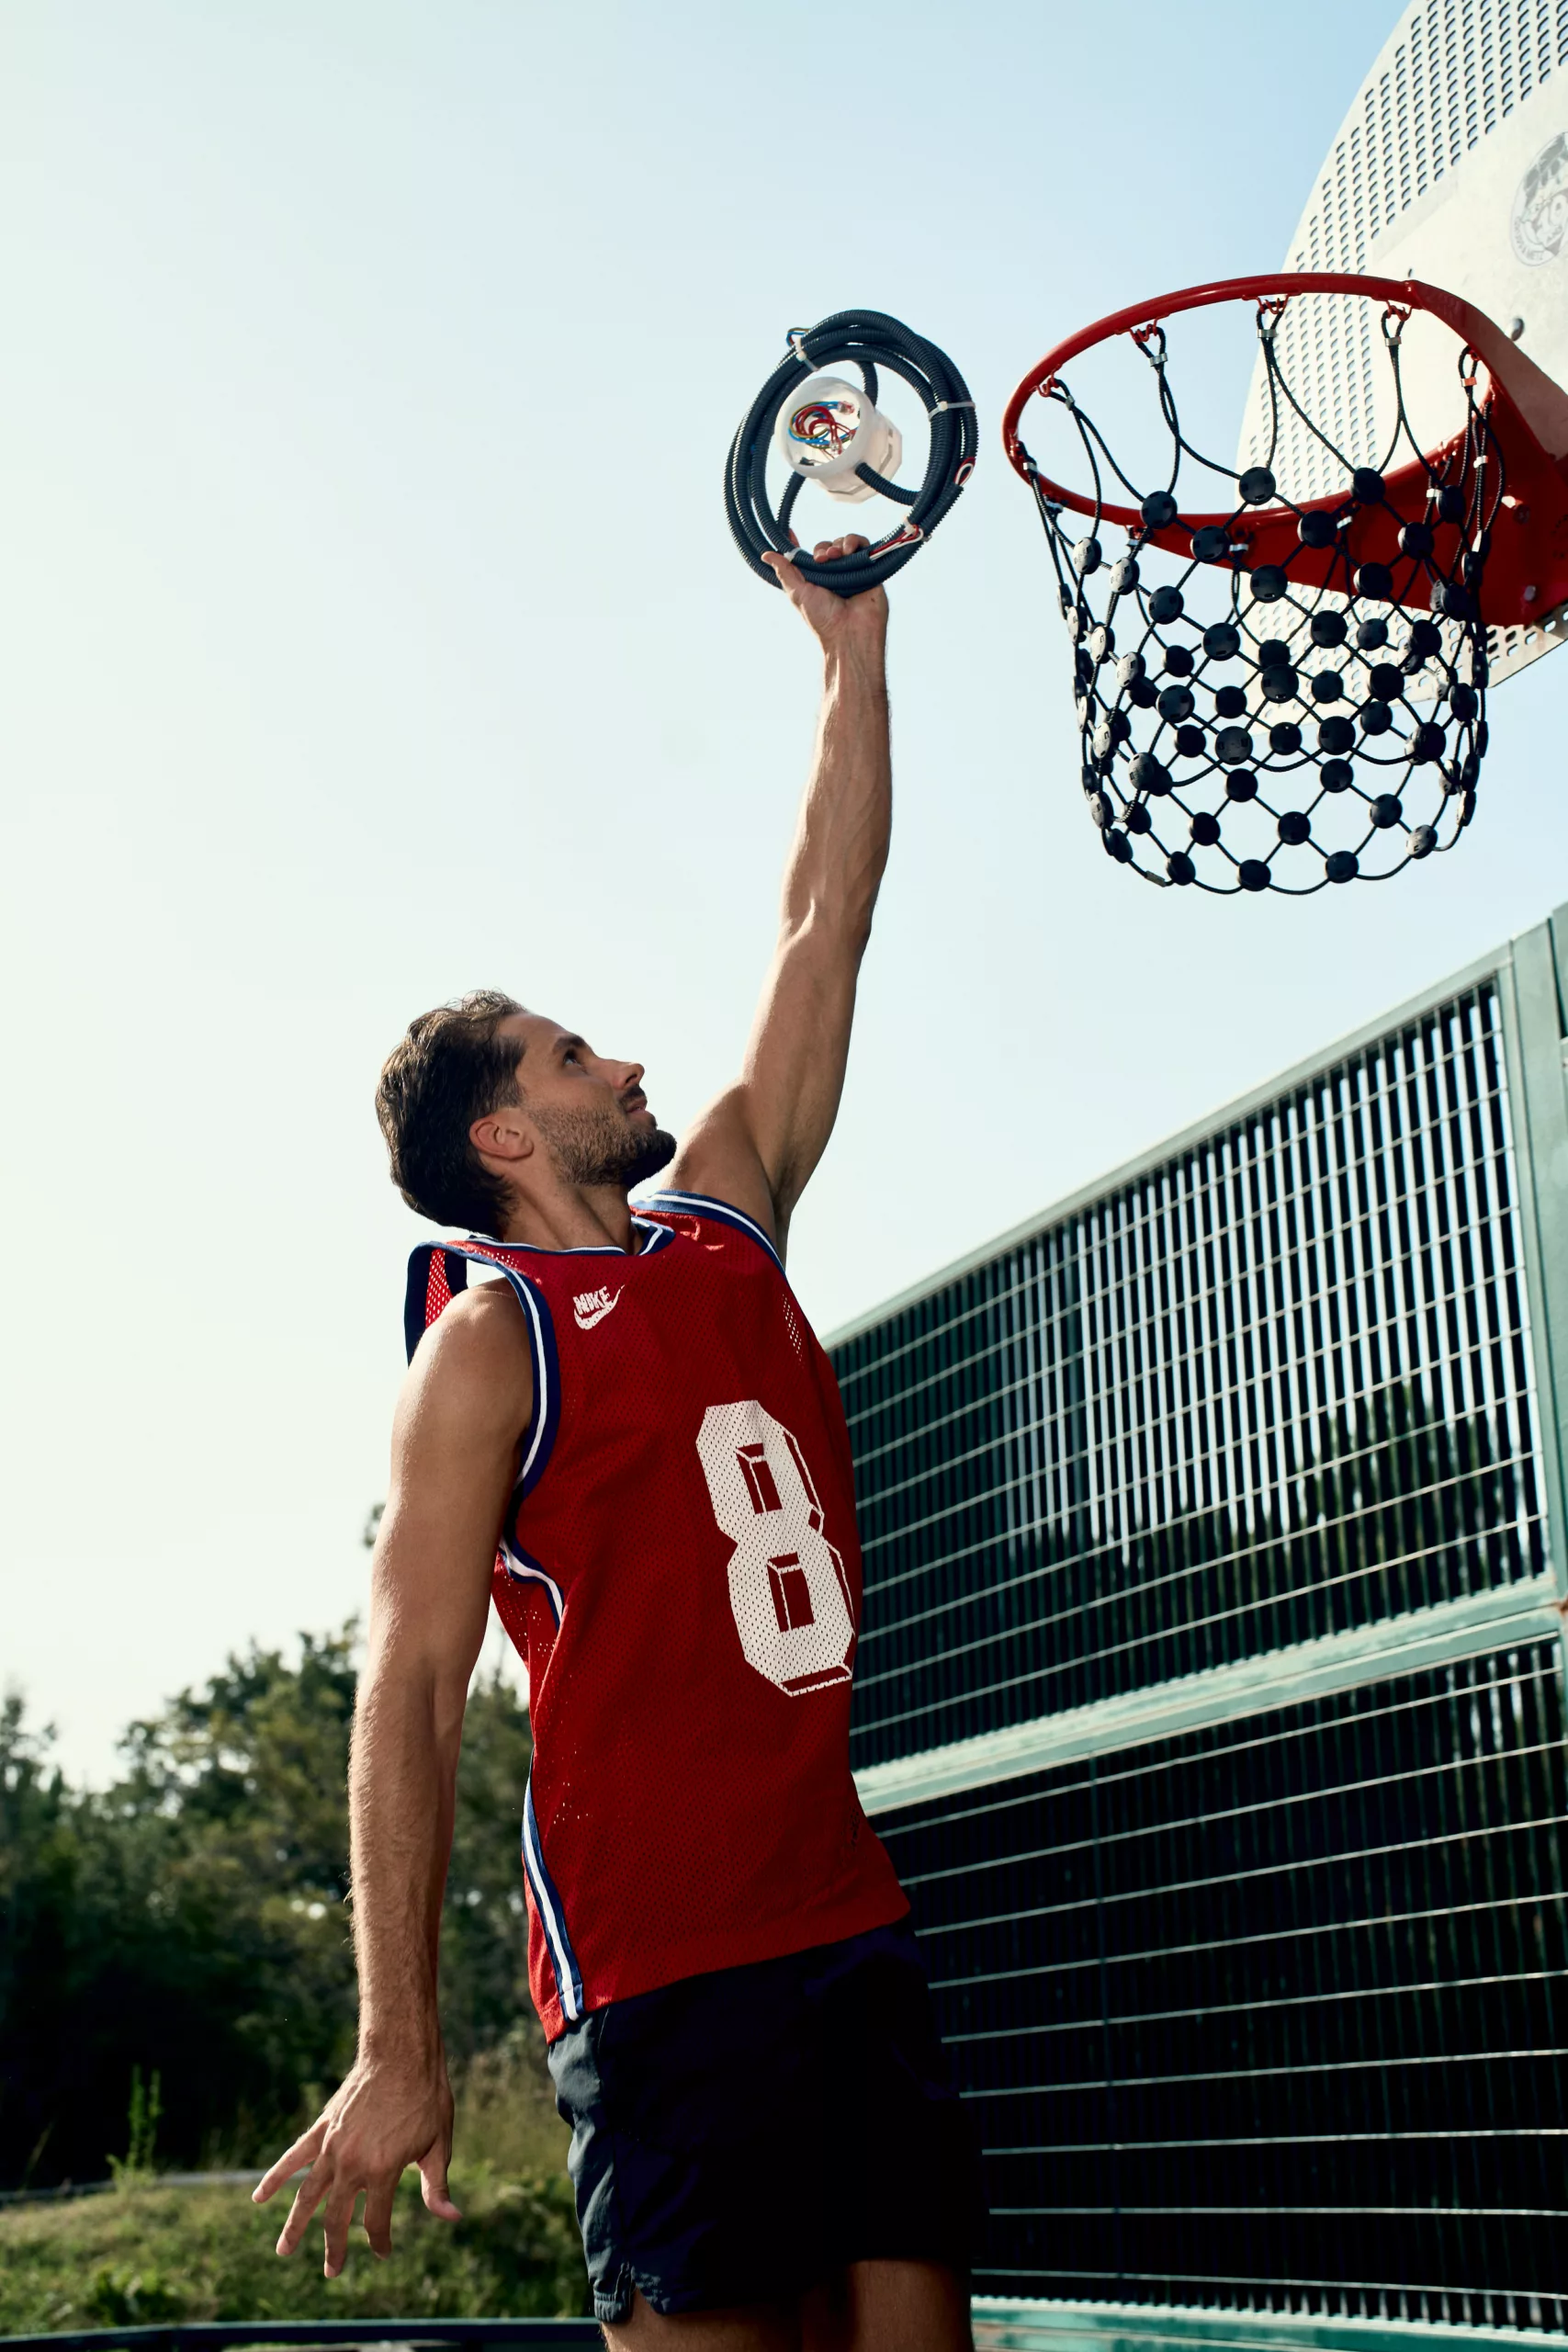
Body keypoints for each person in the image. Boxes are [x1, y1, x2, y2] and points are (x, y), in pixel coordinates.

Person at [254, 534, 983, 2348]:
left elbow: (826, 918)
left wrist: (853, 656)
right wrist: (395, 2043)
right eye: (574, 1055)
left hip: (844, 1912)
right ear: (504, 1134)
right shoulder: (489, 1343)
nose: (623, 1063)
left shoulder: (725, 1219)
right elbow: (410, 1685)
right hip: (662, 1965)